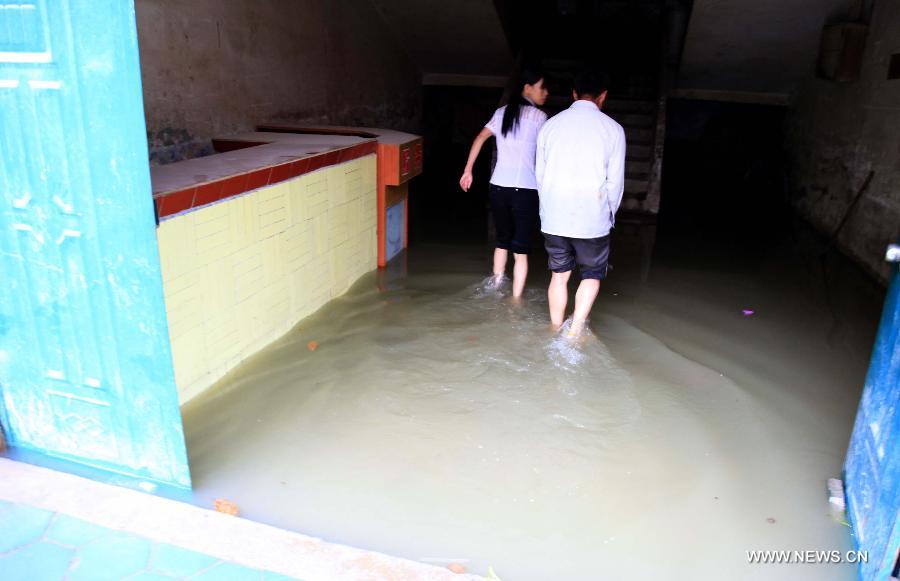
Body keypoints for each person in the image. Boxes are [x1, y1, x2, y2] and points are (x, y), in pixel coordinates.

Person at [535, 70, 625, 336]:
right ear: (603, 97)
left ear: (574, 94)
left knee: (559, 275)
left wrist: (548, 208)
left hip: (554, 215)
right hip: (592, 218)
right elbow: (614, 182)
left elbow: (540, 174)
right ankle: (574, 332)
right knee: (591, 274)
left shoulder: (550, 126)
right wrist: (610, 215)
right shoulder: (613, 129)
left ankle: (553, 328)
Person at [459, 68, 549, 298]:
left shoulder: (501, 113)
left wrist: (468, 170)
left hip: (498, 186)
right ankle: (516, 301)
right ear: (528, 88)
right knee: (521, 250)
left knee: (502, 241)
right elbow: (548, 153)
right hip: (527, 190)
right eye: (542, 87)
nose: (546, 93)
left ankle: (497, 285)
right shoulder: (540, 118)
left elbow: (480, 137)